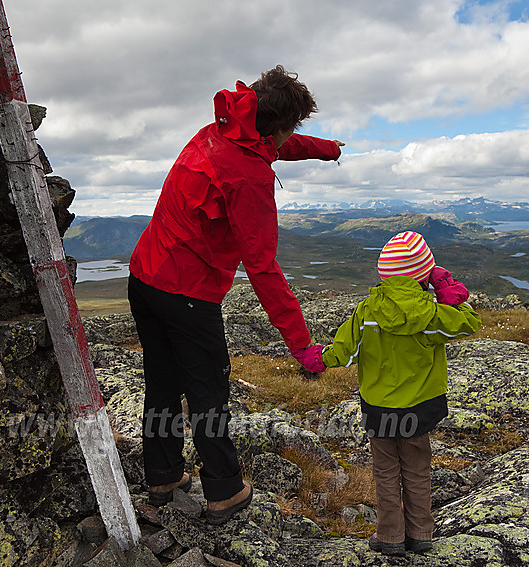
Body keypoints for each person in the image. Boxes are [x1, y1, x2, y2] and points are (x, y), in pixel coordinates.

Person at [127, 65, 343, 524]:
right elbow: (262, 267)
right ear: (281, 126)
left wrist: (325, 150)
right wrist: (301, 345)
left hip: (144, 277)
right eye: (294, 130)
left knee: (162, 382)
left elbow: (271, 143)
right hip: (189, 293)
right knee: (208, 393)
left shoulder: (223, 128)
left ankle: (163, 476)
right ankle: (224, 490)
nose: (291, 139)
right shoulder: (249, 177)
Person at [316, 231, 481, 555]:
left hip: (379, 409)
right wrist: (447, 291)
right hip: (419, 409)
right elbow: (469, 322)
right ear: (424, 274)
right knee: (417, 470)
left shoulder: (367, 310)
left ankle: (390, 536)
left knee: (386, 472)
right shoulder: (431, 314)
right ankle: (421, 533)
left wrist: (317, 357)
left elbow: (345, 353)